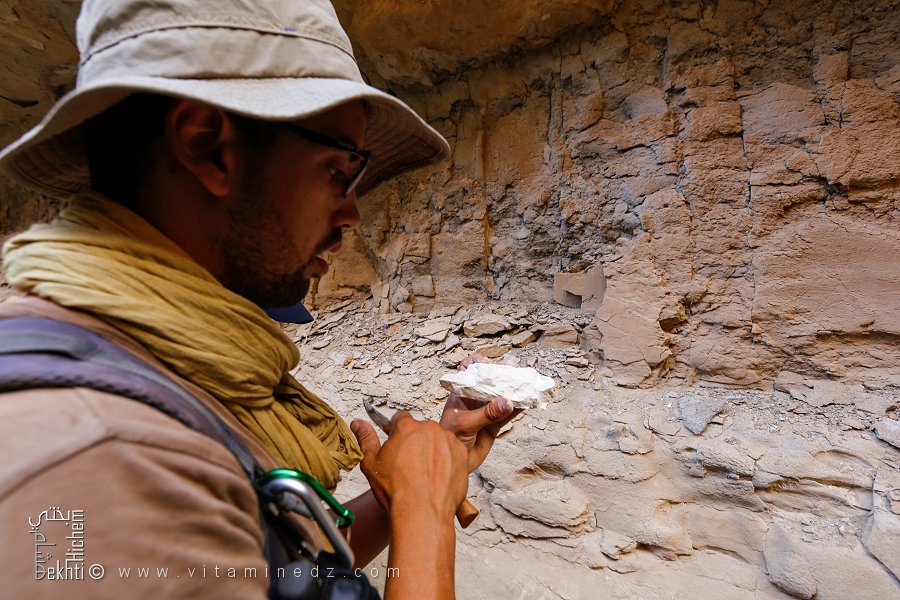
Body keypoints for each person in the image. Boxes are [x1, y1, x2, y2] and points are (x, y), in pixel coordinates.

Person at [0, 1, 515, 598]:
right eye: (338, 170)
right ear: (208, 147)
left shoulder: (157, 361)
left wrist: (415, 482)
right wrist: (425, 511)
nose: (351, 211)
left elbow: (261, 567)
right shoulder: (96, 458)